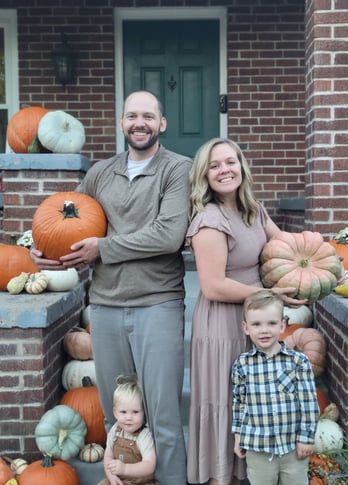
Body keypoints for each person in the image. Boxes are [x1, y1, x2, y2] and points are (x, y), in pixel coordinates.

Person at [30, 90, 191, 485]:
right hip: (105, 306)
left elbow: (167, 235)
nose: (140, 123)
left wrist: (103, 248)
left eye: (148, 116)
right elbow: (66, 219)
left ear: (162, 124)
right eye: (132, 116)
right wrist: (37, 250)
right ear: (122, 123)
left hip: (158, 303)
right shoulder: (100, 173)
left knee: (163, 414)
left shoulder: (178, 170)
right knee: (115, 414)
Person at [185, 137, 306, 485]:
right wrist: (269, 292)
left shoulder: (254, 209)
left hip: (256, 319)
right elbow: (212, 286)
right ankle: (220, 477)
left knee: (255, 397)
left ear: (241, 166)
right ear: (204, 176)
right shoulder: (210, 219)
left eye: (230, 162)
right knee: (226, 400)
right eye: (215, 165)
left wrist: (318, 265)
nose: (225, 170)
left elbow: (284, 247)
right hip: (223, 323)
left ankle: (251, 474)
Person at [232, 289, 320, 485]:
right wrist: (238, 436)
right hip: (258, 448)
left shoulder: (298, 361)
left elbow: (309, 404)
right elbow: (239, 404)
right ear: (246, 328)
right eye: (256, 324)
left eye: (271, 323)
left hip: (292, 448)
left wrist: (306, 438)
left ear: (282, 325)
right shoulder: (242, 365)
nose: (264, 330)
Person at [98, 374, 156, 485]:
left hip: (142, 482)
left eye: (135, 412)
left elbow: (149, 464)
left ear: (144, 412)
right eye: (123, 412)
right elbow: (108, 456)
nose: (129, 418)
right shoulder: (115, 430)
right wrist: (111, 477)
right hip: (120, 480)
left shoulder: (144, 435)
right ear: (115, 412)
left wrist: (125, 469)